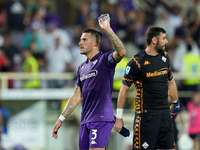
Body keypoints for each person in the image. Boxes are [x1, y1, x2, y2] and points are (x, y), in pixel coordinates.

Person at [52, 14, 126, 150]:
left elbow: (121, 52)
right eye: (80, 40)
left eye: (84, 40)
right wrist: (60, 119)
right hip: (85, 120)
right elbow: (76, 96)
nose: (80, 43)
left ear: (95, 43)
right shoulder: (81, 68)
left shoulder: (105, 61)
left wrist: (108, 29)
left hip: (101, 118)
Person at [113, 26, 180, 150]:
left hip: (165, 115)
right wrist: (119, 117)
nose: (166, 41)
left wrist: (175, 103)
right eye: (163, 38)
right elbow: (124, 89)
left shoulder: (165, 57)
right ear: (154, 40)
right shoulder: (136, 62)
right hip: (146, 118)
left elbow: (170, 81)